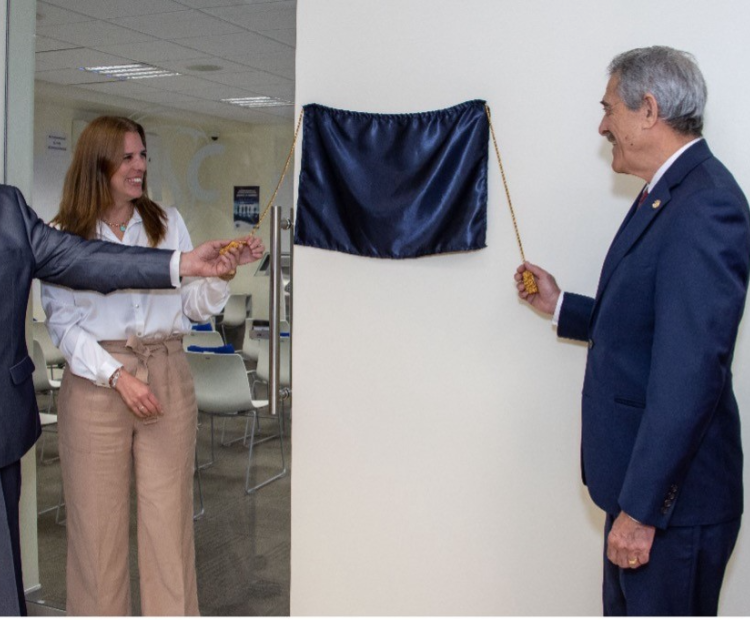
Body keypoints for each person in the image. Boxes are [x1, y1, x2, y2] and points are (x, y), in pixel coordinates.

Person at [515, 46, 750, 615]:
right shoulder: (667, 194)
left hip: (670, 507)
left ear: (648, 110)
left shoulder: (705, 206)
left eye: (608, 108)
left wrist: (642, 511)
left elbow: (689, 373)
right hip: (645, 499)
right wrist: (561, 305)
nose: (602, 125)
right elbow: (653, 327)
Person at [0, 175, 257, 617]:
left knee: (168, 527)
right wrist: (116, 374)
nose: (138, 166)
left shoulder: (9, 209)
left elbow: (103, 266)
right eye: (126, 157)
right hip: (96, 380)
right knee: (96, 534)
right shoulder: (65, 226)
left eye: (143, 156)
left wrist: (198, 269)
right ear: (96, 166)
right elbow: (64, 320)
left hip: (161, 368)